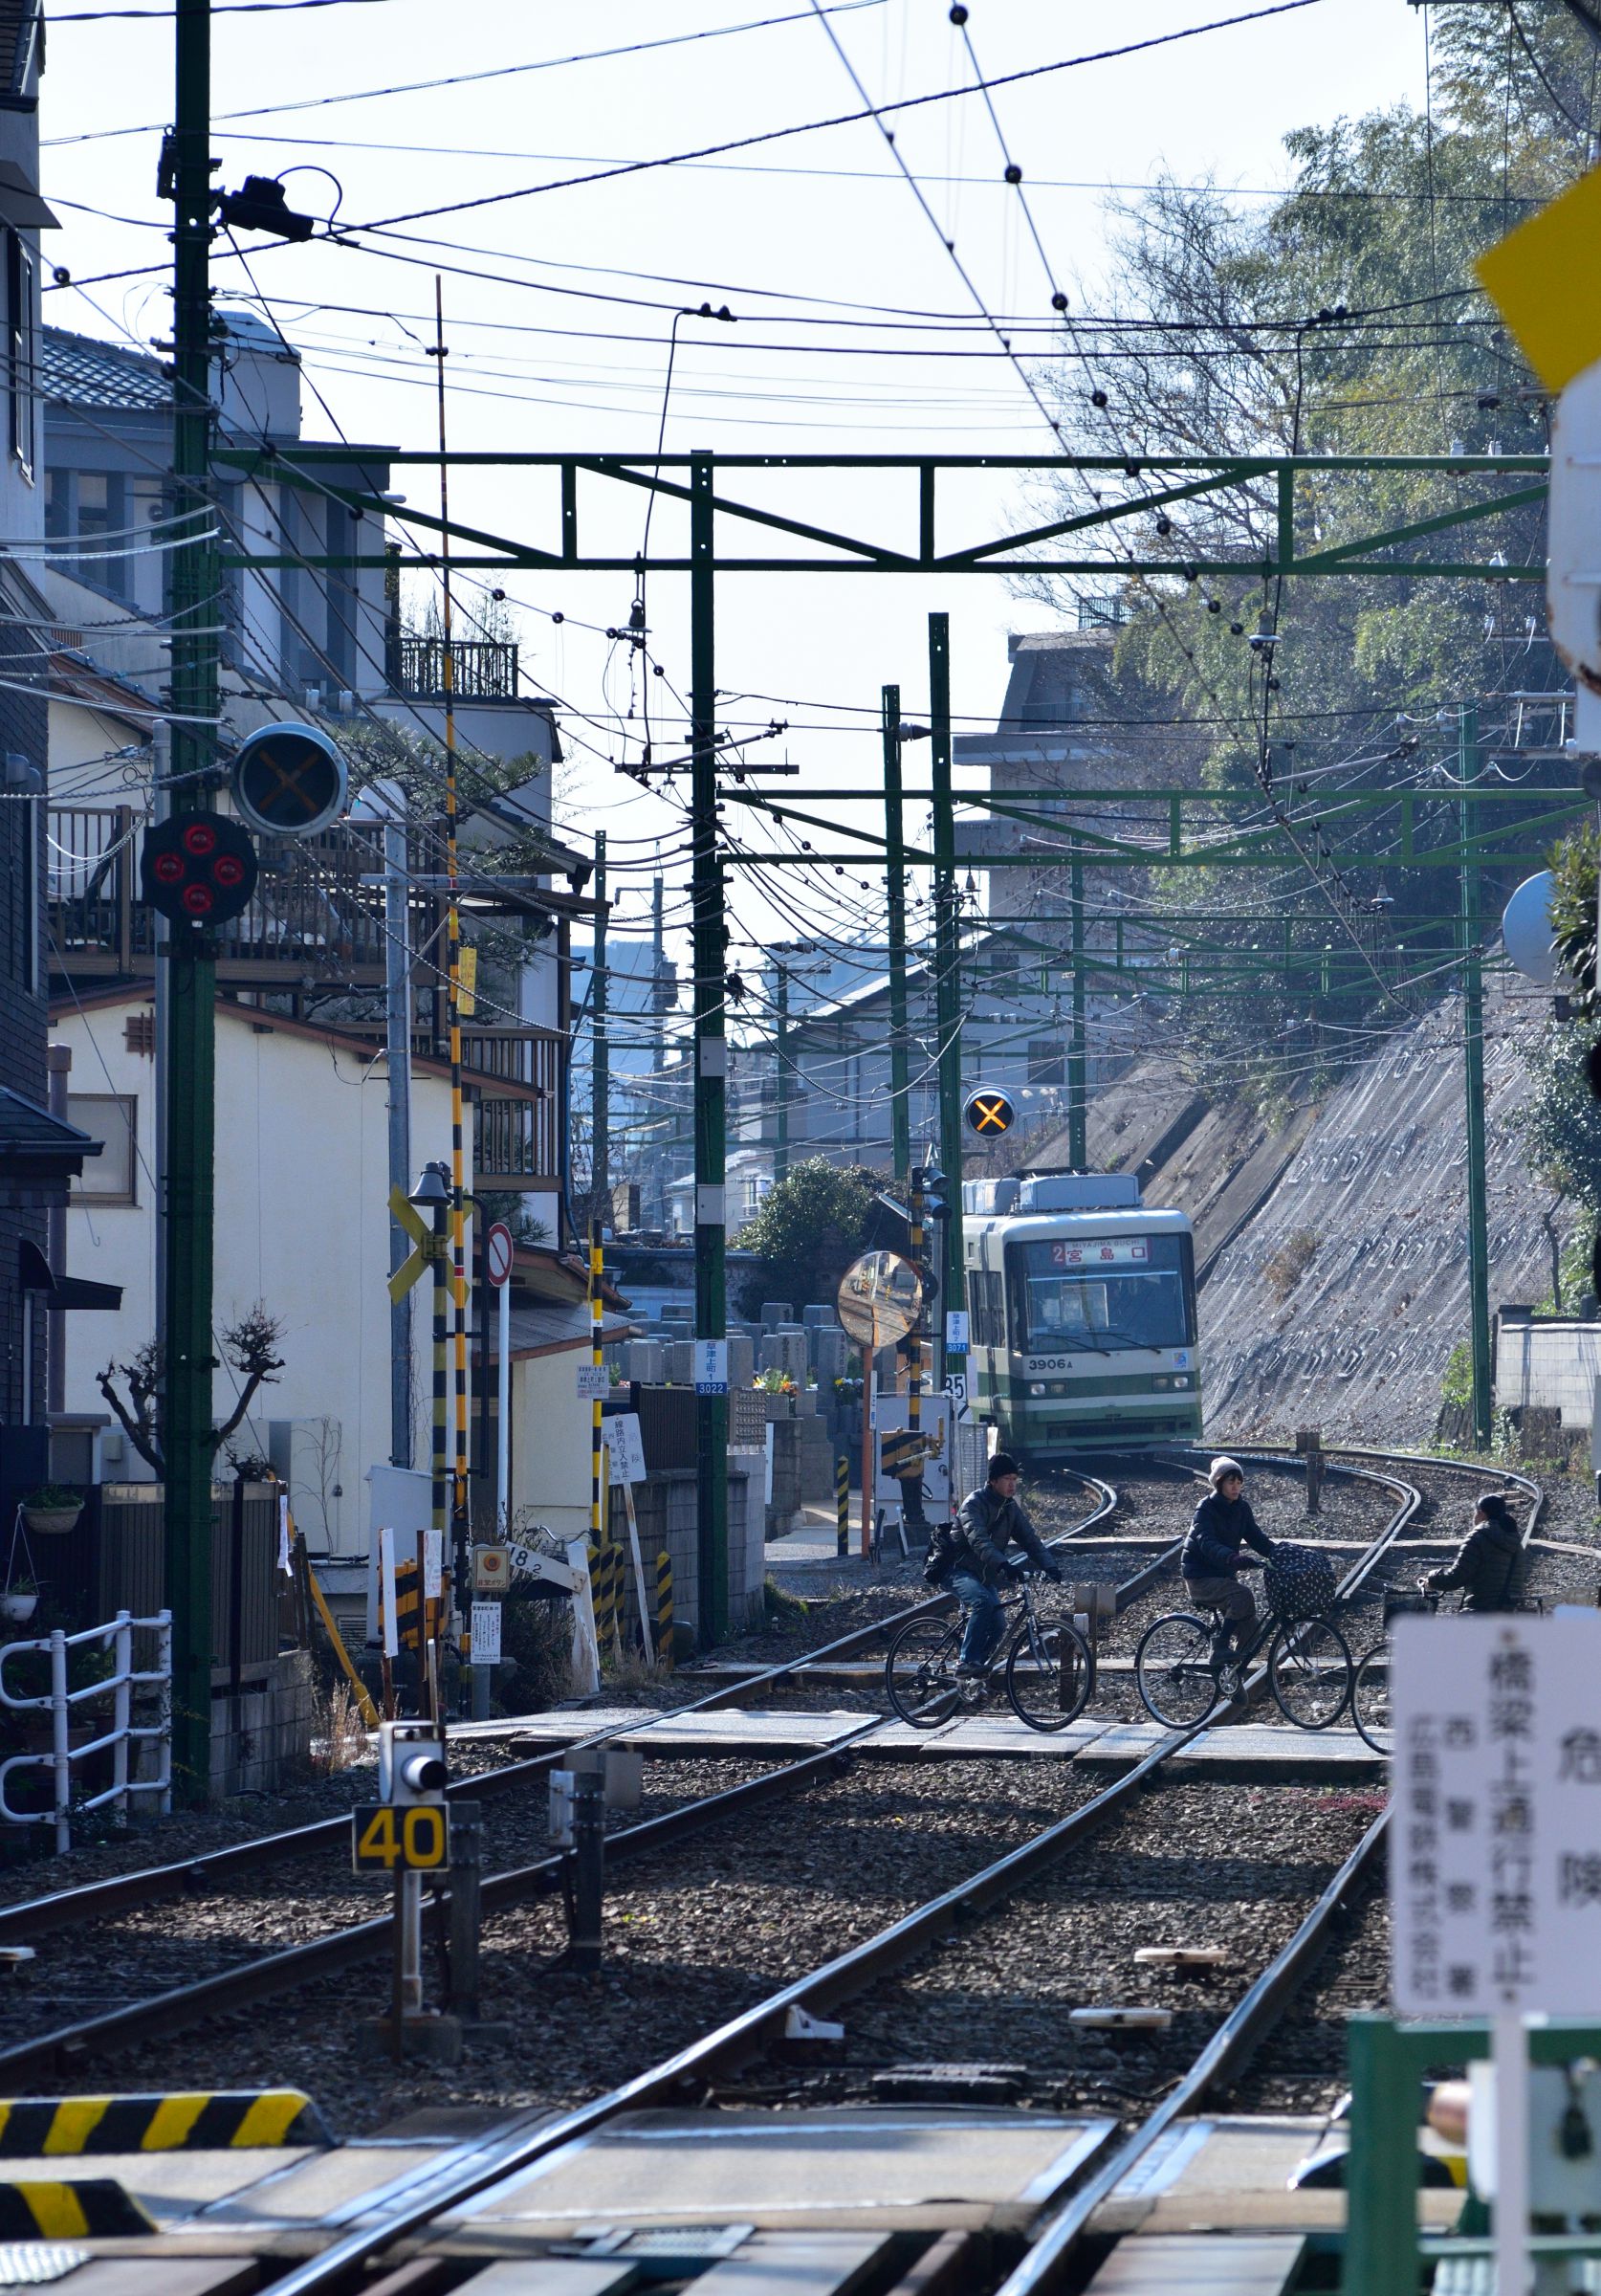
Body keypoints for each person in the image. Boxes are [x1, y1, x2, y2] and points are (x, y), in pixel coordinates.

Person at [950, 1452, 1064, 1678]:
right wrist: (1004, 1565)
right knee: (982, 1603)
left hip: (985, 1575)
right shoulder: (973, 1504)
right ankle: (966, 1662)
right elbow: (979, 1542)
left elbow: (1031, 1541)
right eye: (1007, 1479)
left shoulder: (1010, 1508)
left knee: (999, 1624)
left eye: (1015, 1478)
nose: (1012, 1484)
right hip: (957, 1569)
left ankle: (975, 1674)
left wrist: (1050, 1566)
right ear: (993, 1481)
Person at [1181, 1455, 1278, 1663]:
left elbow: (1257, 1539)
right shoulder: (1205, 1508)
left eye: (1239, 1482)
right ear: (1219, 1483)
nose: (1236, 1487)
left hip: (1222, 1577)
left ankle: (1232, 1677)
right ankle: (1220, 1647)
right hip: (1200, 1577)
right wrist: (1232, 1558)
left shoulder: (1242, 1508)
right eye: (1230, 1482)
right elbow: (1206, 1542)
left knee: (1251, 1628)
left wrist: (1282, 1553)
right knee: (1243, 1596)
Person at [1423, 1492, 1525, 1612]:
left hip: (1480, 1612)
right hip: (1508, 1614)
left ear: (1481, 1513)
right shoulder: (1516, 1543)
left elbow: (1456, 1577)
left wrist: (1431, 1579)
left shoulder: (1478, 1537)